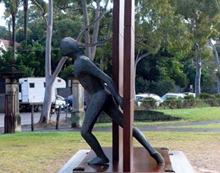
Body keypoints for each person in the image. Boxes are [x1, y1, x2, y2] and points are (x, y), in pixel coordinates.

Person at [60, 37, 164, 166]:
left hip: (99, 96)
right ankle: (153, 152)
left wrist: (118, 98)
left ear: (68, 49)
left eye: (62, 46)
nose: (60, 49)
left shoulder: (82, 62)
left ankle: (101, 157)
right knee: (126, 125)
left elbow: (106, 78)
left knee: (85, 131)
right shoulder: (79, 62)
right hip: (101, 96)